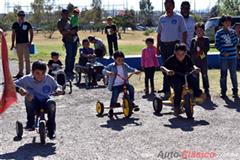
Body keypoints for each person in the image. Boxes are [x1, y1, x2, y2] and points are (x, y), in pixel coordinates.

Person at [15, 60, 64, 139]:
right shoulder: (27, 79)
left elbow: (57, 86)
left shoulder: (48, 78)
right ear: (32, 72)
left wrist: (58, 90)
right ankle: (30, 122)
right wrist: (19, 89)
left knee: (52, 103)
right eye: (37, 73)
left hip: (46, 101)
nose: (40, 76)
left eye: (43, 73)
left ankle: (51, 129)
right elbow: (13, 84)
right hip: (34, 103)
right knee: (29, 97)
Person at [160, 43, 203, 116]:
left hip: (185, 75)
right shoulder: (171, 59)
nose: (180, 56)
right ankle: (177, 106)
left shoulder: (187, 58)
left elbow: (192, 65)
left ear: (185, 52)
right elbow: (162, 67)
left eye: (182, 54)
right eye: (178, 54)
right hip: (174, 77)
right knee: (178, 87)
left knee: (193, 79)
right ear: (174, 52)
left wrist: (195, 68)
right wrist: (167, 71)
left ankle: (196, 95)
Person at [157, 0, 187, 100]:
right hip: (164, 46)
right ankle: (166, 91)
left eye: (170, 5)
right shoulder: (161, 18)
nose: (168, 7)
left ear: (173, 6)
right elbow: (159, 34)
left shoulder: (179, 17)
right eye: (166, 5)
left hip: (174, 45)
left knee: (175, 68)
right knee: (165, 68)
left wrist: (183, 46)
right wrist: (158, 47)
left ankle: (177, 90)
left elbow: (184, 32)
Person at [102, 51, 140, 117]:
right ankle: (111, 109)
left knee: (131, 88)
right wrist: (109, 73)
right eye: (119, 60)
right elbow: (103, 70)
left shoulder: (124, 65)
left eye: (122, 59)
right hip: (115, 85)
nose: (121, 61)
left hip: (124, 83)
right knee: (115, 95)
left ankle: (131, 102)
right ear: (115, 59)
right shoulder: (111, 66)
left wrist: (135, 71)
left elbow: (130, 69)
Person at [215, 15, 239, 98]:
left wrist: (234, 34)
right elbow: (217, 44)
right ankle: (223, 91)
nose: (228, 23)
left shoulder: (233, 32)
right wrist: (223, 51)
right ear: (222, 23)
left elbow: (236, 42)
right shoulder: (219, 33)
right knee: (223, 74)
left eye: (229, 21)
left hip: (232, 57)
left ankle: (235, 91)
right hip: (223, 58)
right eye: (226, 22)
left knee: (233, 74)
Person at [11, 10, 34, 79]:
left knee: (27, 59)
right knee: (20, 60)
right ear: (18, 16)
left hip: (25, 44)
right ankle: (20, 73)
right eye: (20, 15)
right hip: (18, 44)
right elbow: (13, 34)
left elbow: (31, 33)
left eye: (23, 15)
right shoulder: (15, 24)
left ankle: (28, 73)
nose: (21, 17)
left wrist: (30, 42)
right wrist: (12, 44)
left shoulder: (27, 24)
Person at [190, 22, 210, 98]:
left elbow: (206, 49)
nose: (199, 31)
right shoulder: (193, 40)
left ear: (203, 30)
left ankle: (206, 90)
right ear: (195, 31)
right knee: (195, 76)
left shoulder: (206, 39)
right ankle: (196, 90)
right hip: (195, 61)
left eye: (201, 30)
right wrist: (195, 53)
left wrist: (200, 52)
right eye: (197, 30)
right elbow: (191, 50)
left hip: (203, 61)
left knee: (204, 75)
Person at [57, 9, 78, 80]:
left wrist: (74, 30)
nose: (66, 15)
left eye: (67, 13)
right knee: (69, 55)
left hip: (74, 40)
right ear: (62, 14)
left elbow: (76, 27)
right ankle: (67, 70)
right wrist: (69, 31)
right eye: (64, 13)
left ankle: (71, 70)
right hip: (68, 40)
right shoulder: (60, 22)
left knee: (73, 55)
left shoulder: (71, 19)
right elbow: (62, 32)